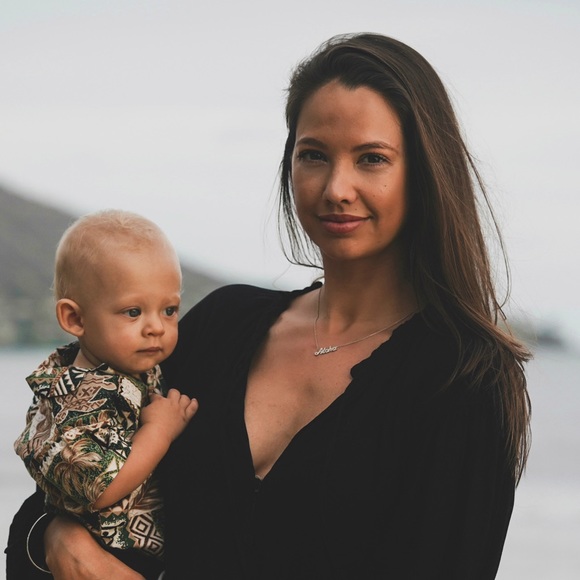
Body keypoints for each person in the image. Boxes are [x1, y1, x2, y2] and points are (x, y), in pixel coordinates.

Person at [6, 33, 531, 579]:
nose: (337, 188)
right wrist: (57, 541)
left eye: (372, 159)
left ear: (424, 173)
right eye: (314, 155)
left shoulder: (464, 378)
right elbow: (64, 497)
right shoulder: (220, 325)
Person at [10, 210, 198, 579]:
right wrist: (159, 430)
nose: (156, 328)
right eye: (133, 312)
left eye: (169, 310)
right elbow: (102, 489)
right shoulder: (82, 400)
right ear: (75, 319)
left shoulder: (131, 368)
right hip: (108, 553)